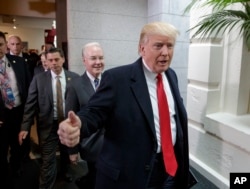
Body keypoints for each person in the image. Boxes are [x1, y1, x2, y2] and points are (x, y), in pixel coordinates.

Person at [58, 21, 191, 189]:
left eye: (170, 46)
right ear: (142, 48)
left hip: (170, 169)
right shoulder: (118, 79)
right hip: (133, 174)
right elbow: (94, 112)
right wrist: (79, 124)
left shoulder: (171, 76)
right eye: (158, 46)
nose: (166, 52)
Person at [18, 47, 79, 189]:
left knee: (66, 153)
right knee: (48, 160)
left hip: (68, 125)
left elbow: (80, 103)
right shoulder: (39, 79)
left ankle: (65, 172)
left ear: (63, 59)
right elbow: (30, 104)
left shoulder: (74, 78)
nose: (53, 63)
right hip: (48, 125)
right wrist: (25, 127)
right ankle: (45, 186)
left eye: (56, 59)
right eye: (50, 60)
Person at [65, 42, 105, 189]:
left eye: (101, 58)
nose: (98, 62)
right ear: (84, 61)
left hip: (112, 144)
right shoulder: (75, 86)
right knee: (95, 179)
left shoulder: (110, 81)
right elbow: (70, 120)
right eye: (93, 58)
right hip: (91, 145)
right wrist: (72, 151)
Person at [0, 31, 31, 187]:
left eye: (0, 44)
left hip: (18, 111)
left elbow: (28, 86)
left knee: (18, 143)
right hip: (1, 115)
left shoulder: (19, 62)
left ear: (5, 45)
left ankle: (16, 167)